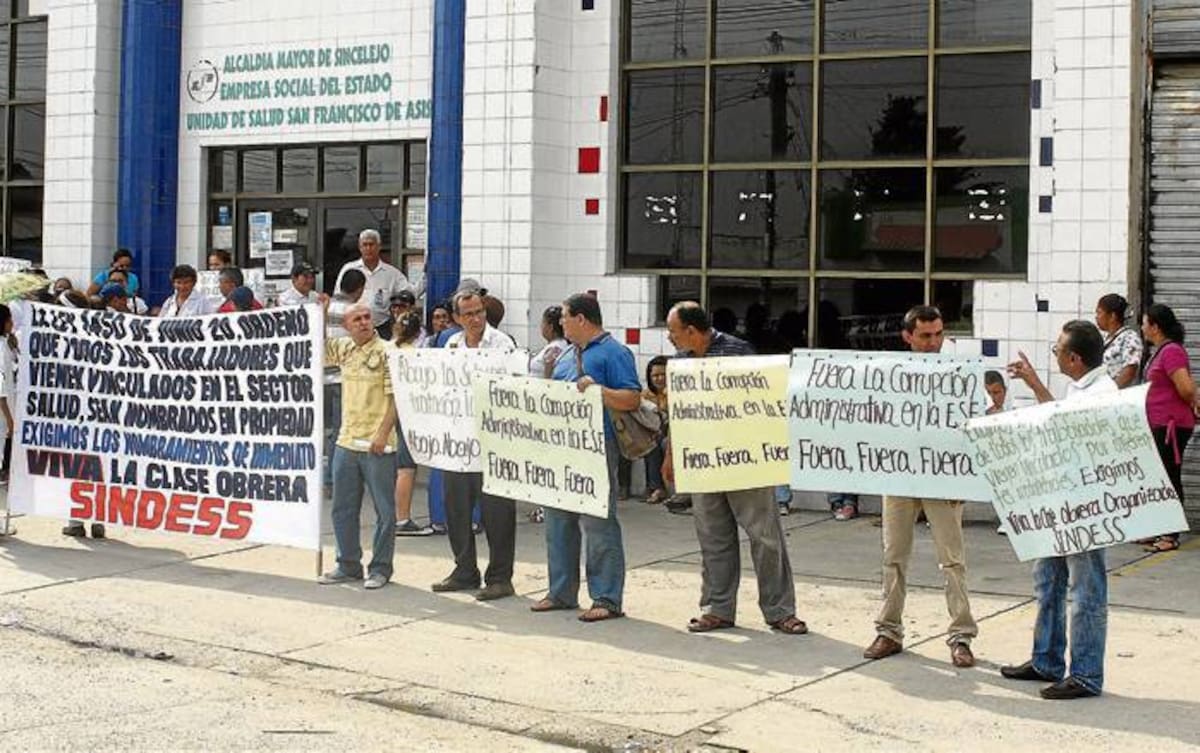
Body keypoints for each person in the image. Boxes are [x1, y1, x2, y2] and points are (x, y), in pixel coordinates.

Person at [662, 302, 807, 635]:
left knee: (765, 537)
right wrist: (672, 456)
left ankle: (780, 610)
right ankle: (717, 608)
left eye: (672, 331)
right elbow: (678, 416)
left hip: (744, 462)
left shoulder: (739, 352)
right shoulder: (681, 363)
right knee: (713, 537)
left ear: (692, 331)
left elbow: (765, 405)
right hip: (704, 463)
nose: (669, 337)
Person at [1002, 320, 1115, 699]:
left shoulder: (1103, 393)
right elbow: (1059, 424)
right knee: (1048, 578)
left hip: (1085, 508)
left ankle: (1086, 674)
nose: (1055, 356)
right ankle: (1046, 659)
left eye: (1057, 351)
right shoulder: (1080, 387)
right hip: (1060, 502)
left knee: (1086, 591)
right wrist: (1034, 383)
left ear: (1075, 358)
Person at [863, 305, 978, 668]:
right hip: (899, 475)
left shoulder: (958, 374)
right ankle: (889, 630)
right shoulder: (891, 375)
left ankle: (961, 636)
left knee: (952, 559)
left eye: (939, 334)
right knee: (893, 557)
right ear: (908, 337)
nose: (933, 342)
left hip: (941, 476)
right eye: (926, 336)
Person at [533, 293, 641, 622]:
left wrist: (599, 391)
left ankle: (606, 597)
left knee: (598, 523)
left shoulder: (615, 353)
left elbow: (632, 398)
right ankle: (561, 591)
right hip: (562, 448)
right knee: (558, 520)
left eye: (564, 317)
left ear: (581, 319)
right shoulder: (566, 353)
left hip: (597, 447)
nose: (560, 323)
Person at [430, 287, 518, 600]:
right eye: (468, 314)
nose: (476, 318)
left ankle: (500, 577)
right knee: (457, 509)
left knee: (498, 513)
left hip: (493, 443)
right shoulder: (451, 343)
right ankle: (464, 570)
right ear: (456, 318)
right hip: (459, 440)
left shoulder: (502, 344)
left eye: (479, 311)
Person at [317, 301, 399, 590]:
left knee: (385, 511)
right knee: (342, 507)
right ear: (347, 326)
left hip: (378, 444)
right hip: (347, 440)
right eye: (357, 319)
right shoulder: (345, 348)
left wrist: (382, 433)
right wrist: (322, 313)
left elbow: (396, 399)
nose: (364, 322)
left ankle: (380, 568)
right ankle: (348, 564)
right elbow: (317, 346)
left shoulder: (388, 351)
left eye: (367, 317)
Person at [1139, 303, 1196, 553]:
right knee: (1157, 476)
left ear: (1155, 326)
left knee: (1169, 476)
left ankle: (1170, 534)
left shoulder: (1171, 351)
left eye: (1144, 323)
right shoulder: (1159, 351)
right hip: (1158, 423)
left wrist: (1192, 404)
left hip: (1171, 425)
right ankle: (1157, 527)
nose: (1142, 327)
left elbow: (1185, 387)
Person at [390, 310, 434, 537]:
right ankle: (402, 519)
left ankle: (390, 518)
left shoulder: (386, 350)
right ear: (419, 332)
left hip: (379, 412)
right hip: (405, 413)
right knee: (406, 468)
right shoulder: (415, 356)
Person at [333, 229, 422, 329]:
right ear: (359, 247)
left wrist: (426, 277)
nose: (368, 248)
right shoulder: (349, 269)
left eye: (371, 244)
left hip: (381, 328)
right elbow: (338, 296)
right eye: (365, 245)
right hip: (354, 327)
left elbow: (411, 293)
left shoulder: (391, 273)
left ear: (379, 247)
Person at [1095, 293, 1142, 388]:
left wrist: (1110, 393)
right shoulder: (1106, 338)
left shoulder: (1130, 338)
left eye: (1099, 312)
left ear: (1113, 316)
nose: (1096, 317)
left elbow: (1130, 371)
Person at [641, 356, 670, 505]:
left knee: (662, 443)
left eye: (662, 375)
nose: (659, 379)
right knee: (651, 443)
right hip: (653, 433)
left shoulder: (676, 392)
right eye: (655, 376)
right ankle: (655, 487)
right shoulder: (646, 395)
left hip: (672, 435)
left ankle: (657, 488)